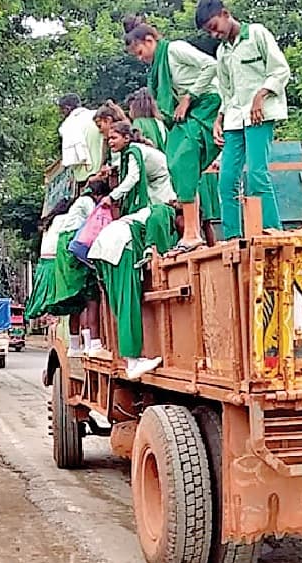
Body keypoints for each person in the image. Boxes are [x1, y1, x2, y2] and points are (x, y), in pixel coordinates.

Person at [124, 16, 224, 253]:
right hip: (187, 113)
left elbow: (211, 65)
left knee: (184, 157)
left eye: (140, 52)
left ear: (149, 40)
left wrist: (188, 97)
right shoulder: (158, 67)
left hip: (208, 104)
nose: (141, 59)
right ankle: (192, 232)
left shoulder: (175, 50)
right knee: (176, 159)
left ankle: (191, 232)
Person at [90, 121, 181, 378]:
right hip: (120, 248)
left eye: (113, 138)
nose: (110, 142)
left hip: (108, 247)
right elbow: (158, 246)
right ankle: (132, 362)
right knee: (129, 303)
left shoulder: (137, 156)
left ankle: (130, 357)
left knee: (121, 304)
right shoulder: (162, 211)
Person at [196, 0, 290, 240]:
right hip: (234, 120)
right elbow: (227, 93)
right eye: (209, 31)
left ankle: (272, 231)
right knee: (226, 180)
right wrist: (219, 119)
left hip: (260, 115)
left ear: (226, 14)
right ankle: (232, 237)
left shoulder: (256, 33)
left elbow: (280, 70)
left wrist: (262, 94)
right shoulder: (222, 52)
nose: (214, 33)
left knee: (257, 173)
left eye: (215, 26)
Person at [49, 177, 112, 357]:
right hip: (76, 247)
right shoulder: (87, 202)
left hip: (66, 252)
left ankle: (75, 346)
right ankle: (94, 344)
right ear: (98, 195)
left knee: (77, 302)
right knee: (91, 297)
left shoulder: (76, 207)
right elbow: (97, 220)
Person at [25, 199, 73, 321]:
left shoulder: (50, 222)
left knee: (42, 299)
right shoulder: (65, 219)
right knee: (63, 299)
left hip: (44, 262)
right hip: (54, 262)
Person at [57, 94, 107, 184]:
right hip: (105, 170)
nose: (62, 115)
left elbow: (72, 158)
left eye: (62, 111)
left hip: (85, 175)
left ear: (67, 108)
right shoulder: (97, 115)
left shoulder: (67, 126)